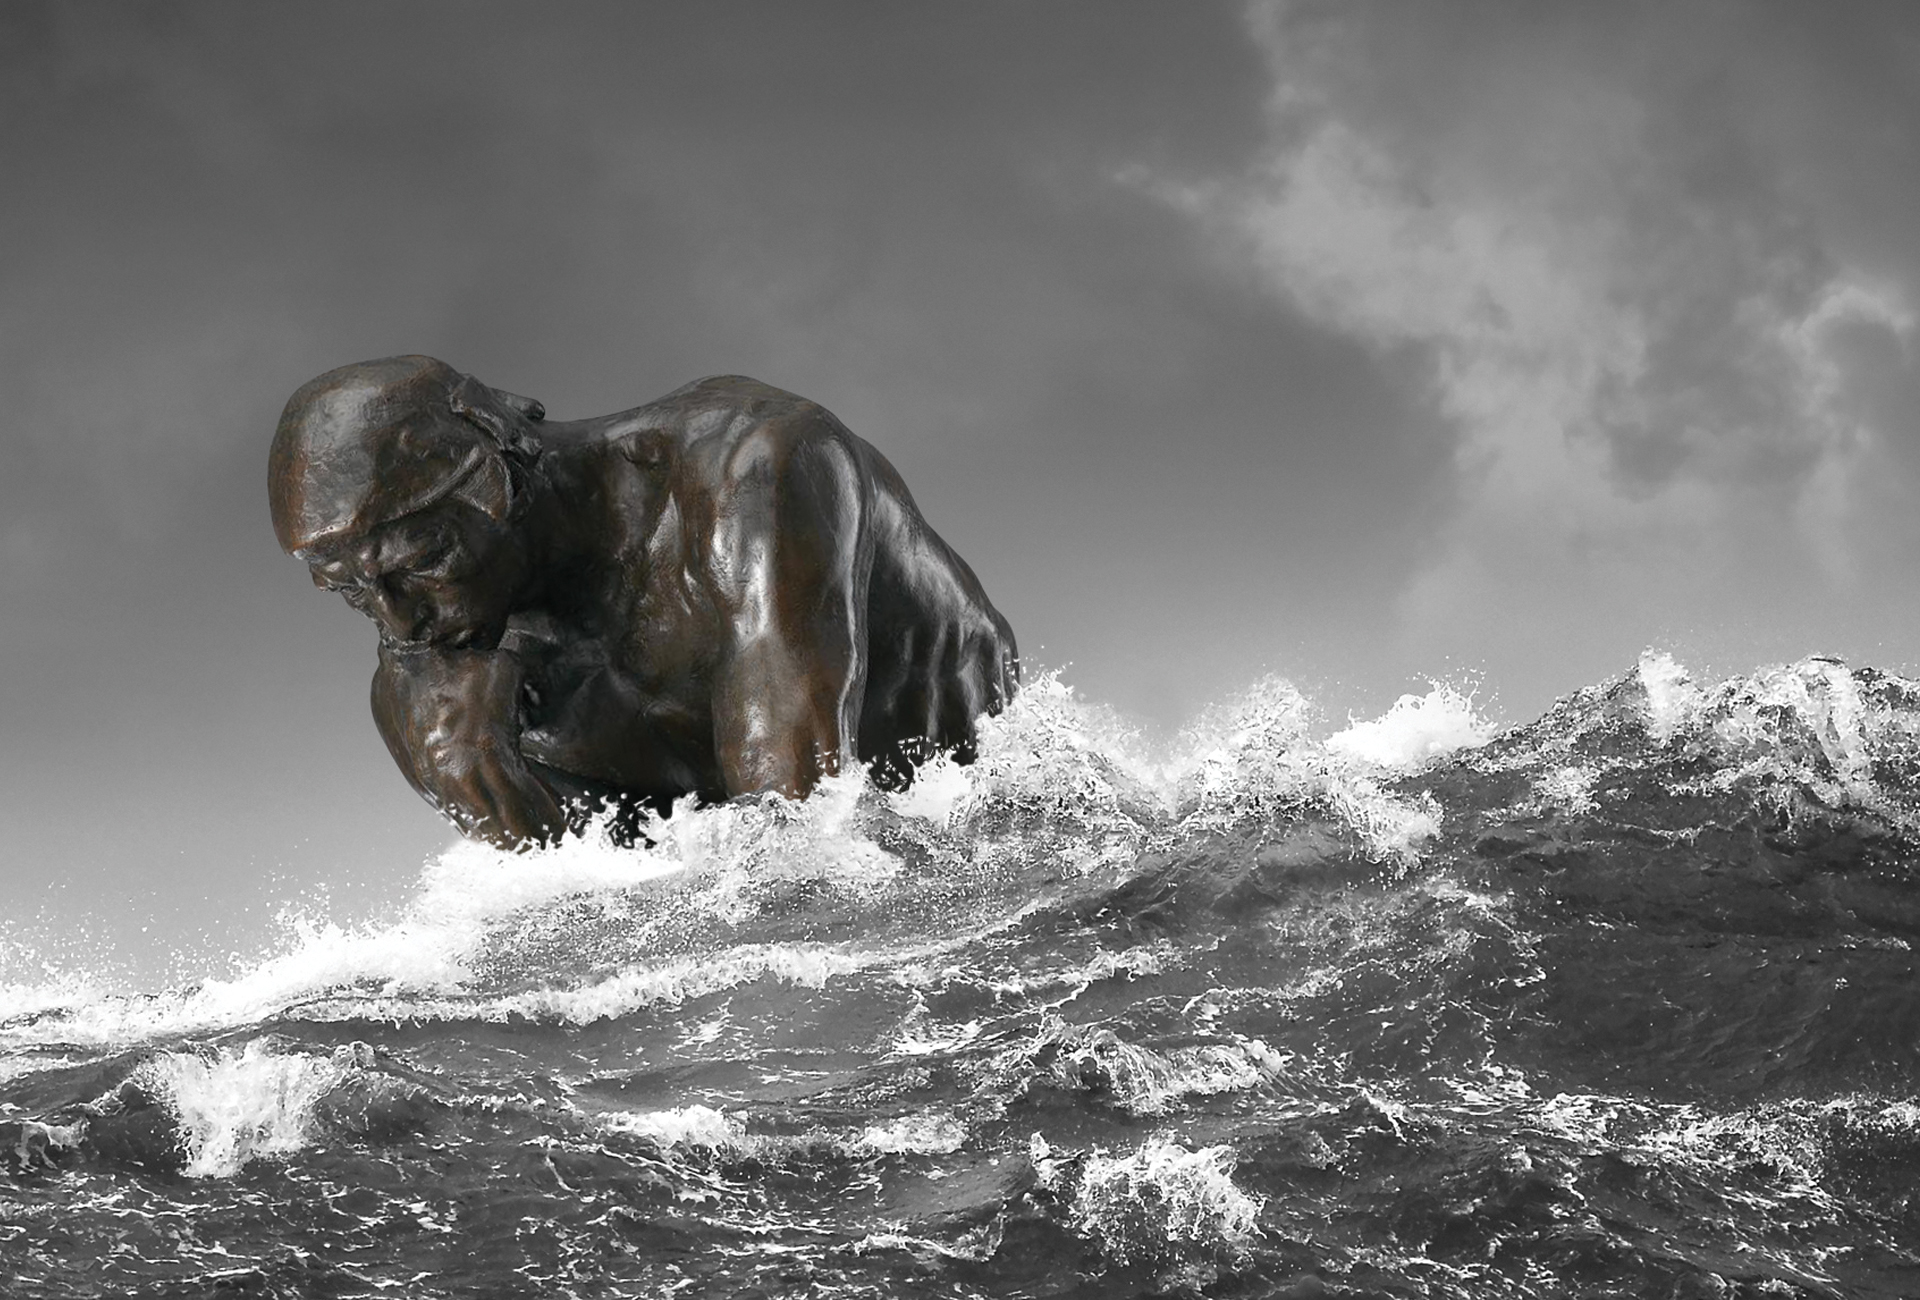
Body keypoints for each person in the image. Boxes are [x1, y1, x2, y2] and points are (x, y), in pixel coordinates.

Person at [268, 356, 1018, 848]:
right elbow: (618, 932)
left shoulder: (746, 474)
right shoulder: (432, 692)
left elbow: (803, 838)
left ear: (499, 478)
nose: (400, 622)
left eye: (424, 560)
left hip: (1009, 824)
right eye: (349, 593)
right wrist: (501, 794)